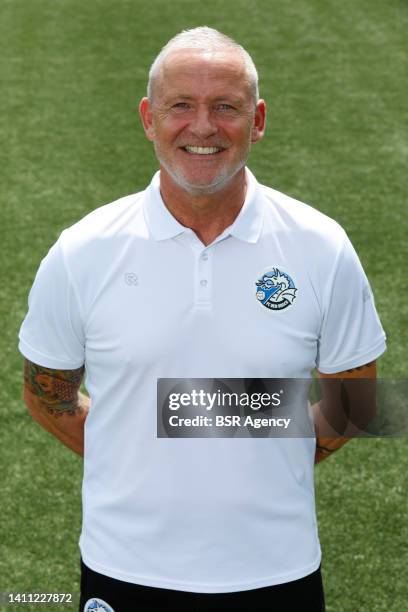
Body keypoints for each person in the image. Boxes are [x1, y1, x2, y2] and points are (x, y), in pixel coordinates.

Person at [19, 27, 386, 612]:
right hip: (123, 570)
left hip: (277, 572)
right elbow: (47, 394)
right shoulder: (82, 251)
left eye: (225, 107)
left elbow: (355, 400)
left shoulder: (322, 247)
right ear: (148, 117)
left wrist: (256, 449)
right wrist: (137, 452)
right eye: (180, 106)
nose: (203, 127)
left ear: (258, 119)